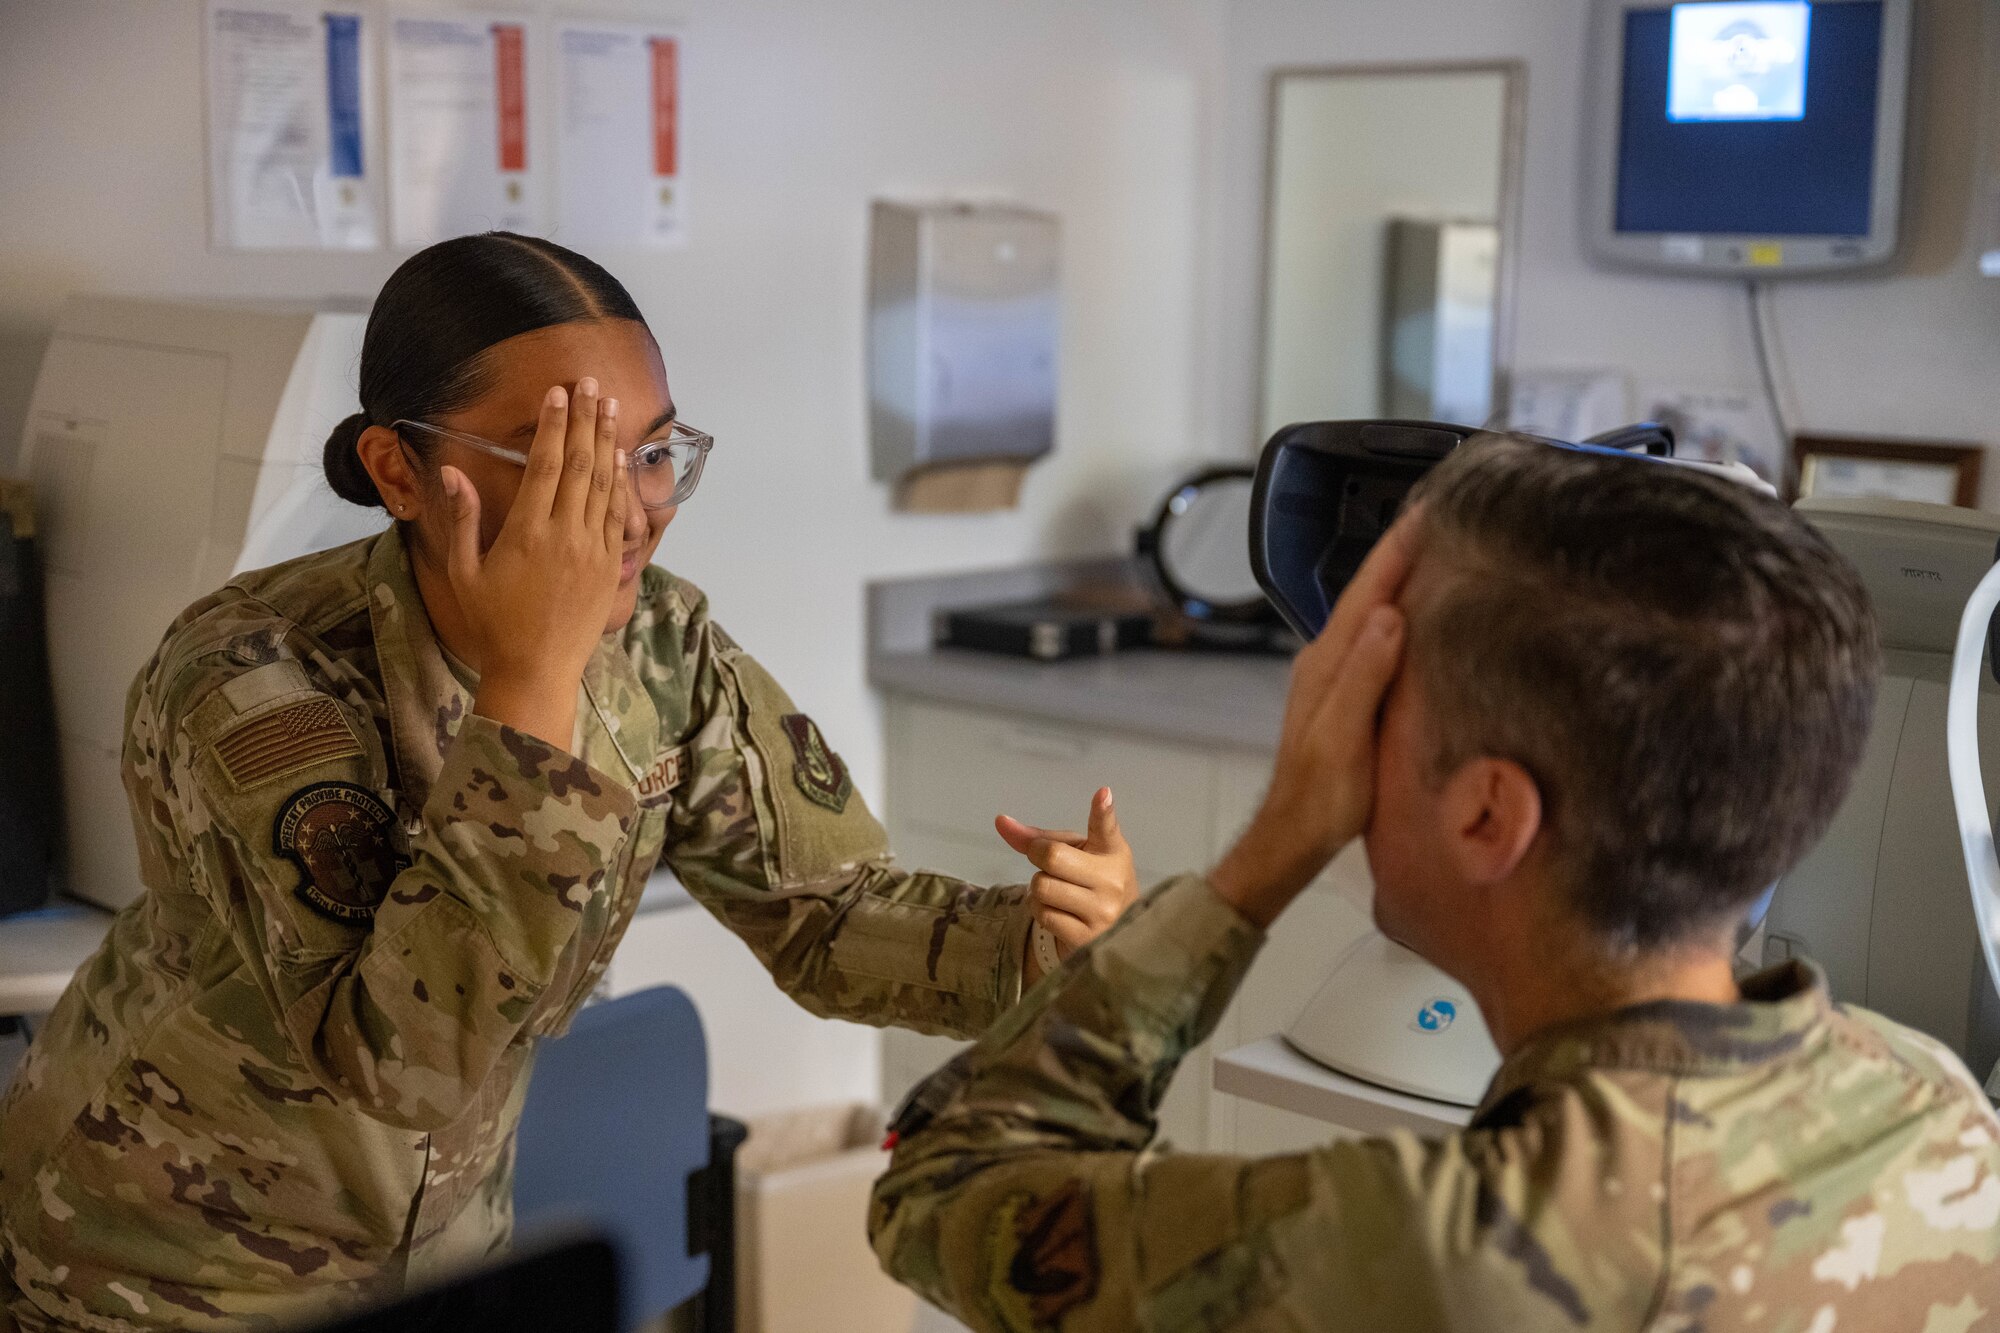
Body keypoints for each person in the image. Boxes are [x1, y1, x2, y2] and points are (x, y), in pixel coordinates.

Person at [0, 233, 1136, 1333]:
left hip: (442, 1259)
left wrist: (1032, 943)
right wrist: (533, 675)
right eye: (566, 463)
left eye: (653, 450)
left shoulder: (658, 641)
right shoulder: (252, 677)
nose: (637, 506)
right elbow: (405, 1060)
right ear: (401, 469)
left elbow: (822, 911)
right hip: (156, 1271)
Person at [871, 435, 2000, 1331]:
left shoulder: (1443, 1250)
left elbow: (938, 1190)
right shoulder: (1934, 1106)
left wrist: (1260, 858)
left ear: (1484, 813)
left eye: (1369, 693)